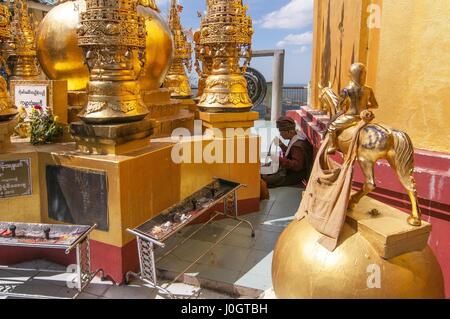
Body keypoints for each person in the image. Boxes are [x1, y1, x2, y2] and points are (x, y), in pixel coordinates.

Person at [327, 63, 378, 154]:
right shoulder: (368, 89)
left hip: (351, 117)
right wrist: (365, 106)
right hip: (365, 118)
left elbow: (339, 106)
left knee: (332, 127)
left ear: (352, 75)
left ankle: (332, 146)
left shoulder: (346, 90)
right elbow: (375, 105)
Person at [261, 116, 313, 189]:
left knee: (264, 178)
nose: (280, 135)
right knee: (264, 168)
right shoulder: (295, 138)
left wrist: (277, 158)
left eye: (281, 132)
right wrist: (281, 145)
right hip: (288, 171)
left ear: (289, 131)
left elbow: (297, 166)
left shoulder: (297, 146)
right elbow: (290, 153)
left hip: (293, 176)